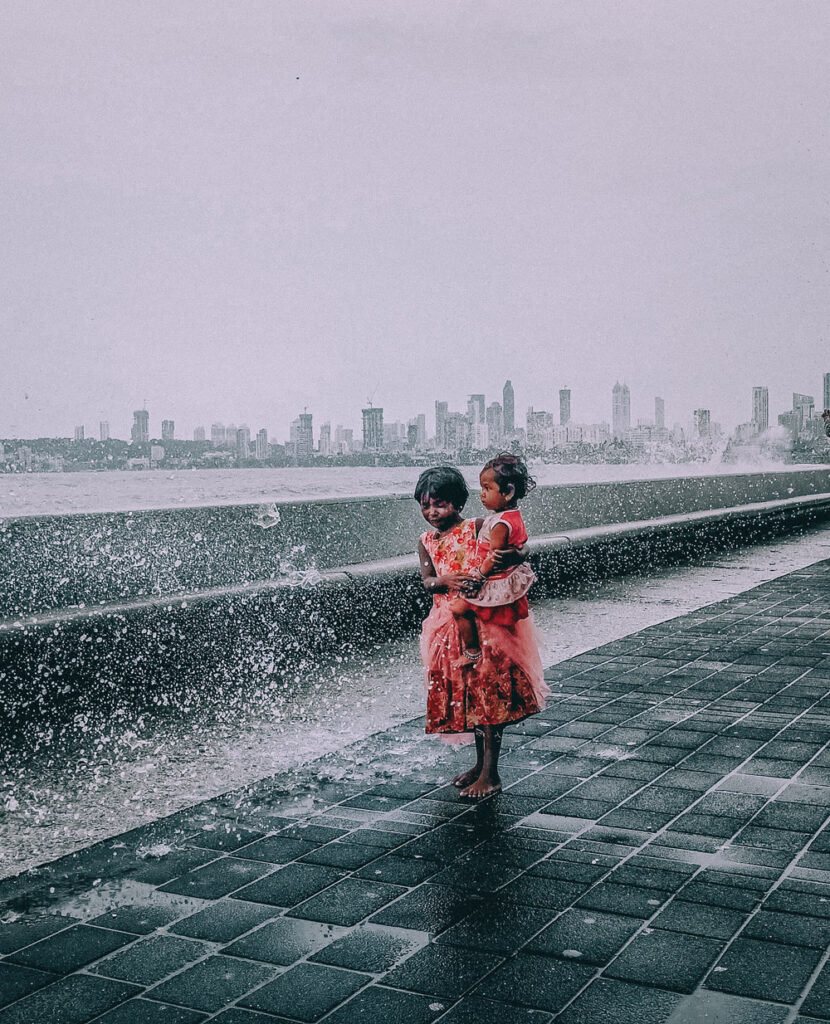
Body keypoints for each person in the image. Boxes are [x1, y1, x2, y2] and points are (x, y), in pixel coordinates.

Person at [415, 465, 549, 799]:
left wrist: (518, 553)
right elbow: (428, 581)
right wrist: (444, 581)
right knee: (470, 698)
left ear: (458, 504)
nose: (432, 512)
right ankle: (479, 766)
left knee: (490, 696)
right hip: (448, 626)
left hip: (483, 624)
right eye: (426, 505)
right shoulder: (425, 541)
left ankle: (491, 773)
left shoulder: (476, 527)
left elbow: (516, 543)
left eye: (440, 504)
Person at [449, 453, 537, 662]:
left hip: (493, 578)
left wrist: (477, 577)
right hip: (507, 575)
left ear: (507, 493)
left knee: (459, 608)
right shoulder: (513, 515)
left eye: (487, 489)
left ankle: (472, 651)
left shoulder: (499, 524)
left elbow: (495, 557)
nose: (482, 495)